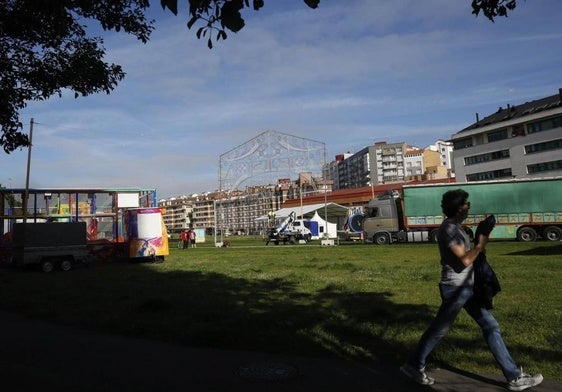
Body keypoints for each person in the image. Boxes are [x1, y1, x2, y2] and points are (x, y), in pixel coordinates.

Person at [400, 189, 543, 391]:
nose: (469, 206)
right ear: (459, 208)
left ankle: (514, 377)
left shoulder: (456, 227)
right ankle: (414, 365)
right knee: (440, 329)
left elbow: (470, 256)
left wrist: (481, 238)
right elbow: (465, 259)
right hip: (456, 289)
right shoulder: (448, 230)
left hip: (465, 289)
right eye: (467, 203)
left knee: (490, 326)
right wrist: (480, 243)